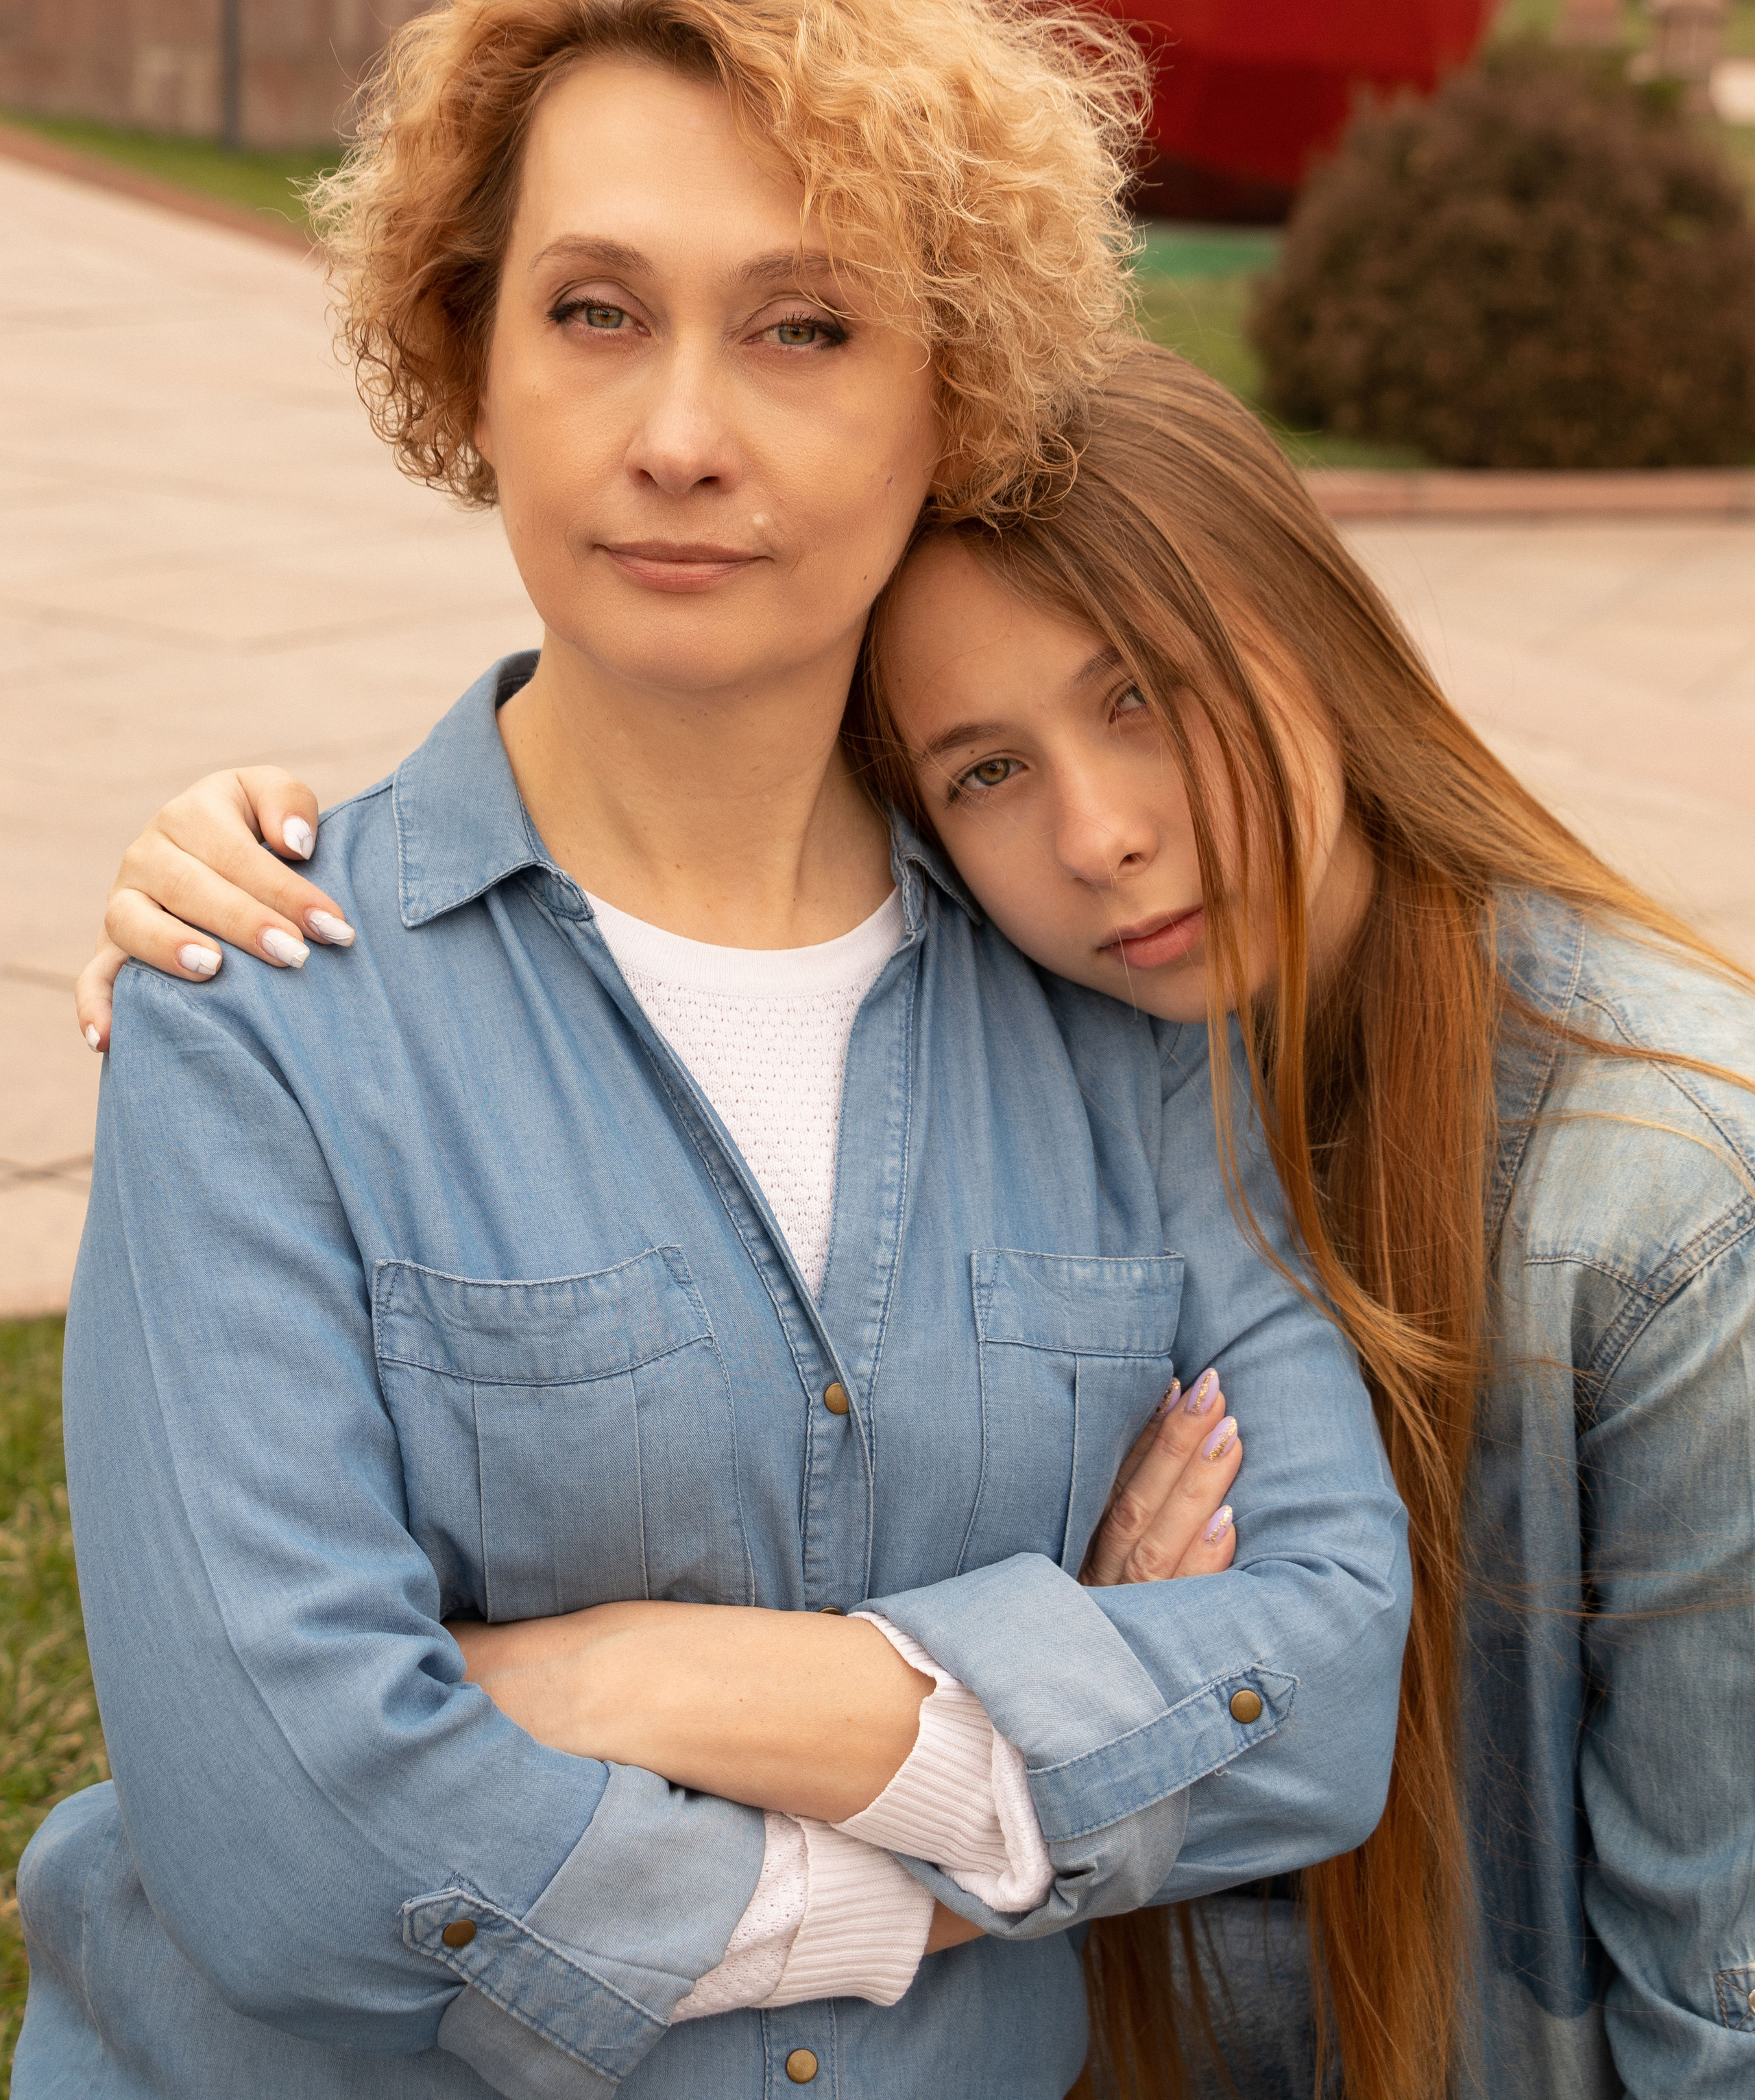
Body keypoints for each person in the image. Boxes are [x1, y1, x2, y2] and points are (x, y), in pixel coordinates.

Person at [18, 0, 1409, 2100]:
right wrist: (977, 1822)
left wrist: (629, 1683)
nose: (678, 433)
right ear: (468, 365)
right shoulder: (256, 1005)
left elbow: (1321, 1691)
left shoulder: (1103, 1016)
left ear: (950, 396)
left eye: (803, 329)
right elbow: (293, 1852)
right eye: (593, 314)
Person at [88, 334, 1755, 2100]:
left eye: (1144, 697)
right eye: (981, 771)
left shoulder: (1673, 1216)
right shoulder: (1065, 1050)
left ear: (1323, 635)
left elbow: (1704, 1991)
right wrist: (1078, 1667)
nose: (1101, 835)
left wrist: (619, 1675)